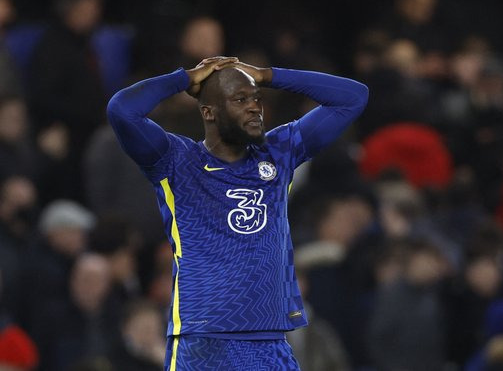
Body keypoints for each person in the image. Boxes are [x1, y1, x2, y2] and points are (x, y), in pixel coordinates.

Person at [107, 56, 369, 370]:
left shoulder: (278, 152)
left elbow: (353, 97)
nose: (254, 107)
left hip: (271, 342)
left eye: (256, 99)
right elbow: (122, 110)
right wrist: (185, 79)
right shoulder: (175, 160)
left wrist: (267, 75)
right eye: (240, 99)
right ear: (209, 112)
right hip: (204, 342)